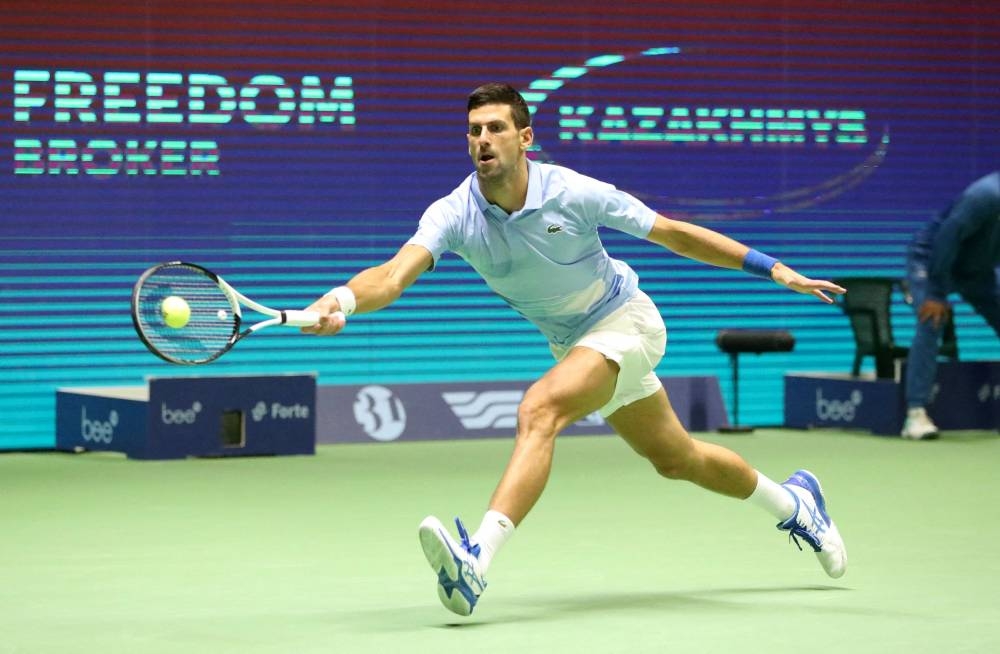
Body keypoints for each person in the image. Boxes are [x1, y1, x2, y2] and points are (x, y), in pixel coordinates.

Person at [302, 83, 848, 616]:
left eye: (496, 128)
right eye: (473, 131)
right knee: (676, 459)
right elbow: (395, 275)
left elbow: (673, 232)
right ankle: (797, 504)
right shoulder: (453, 213)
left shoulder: (573, 191)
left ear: (525, 138)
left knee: (540, 409)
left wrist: (773, 269)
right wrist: (342, 300)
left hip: (626, 322)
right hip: (576, 346)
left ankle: (476, 561)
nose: (483, 140)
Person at [901, 171, 1000, 440]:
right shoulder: (985, 195)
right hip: (931, 260)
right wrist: (935, 293)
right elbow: (948, 237)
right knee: (932, 321)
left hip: (978, 271)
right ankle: (915, 414)